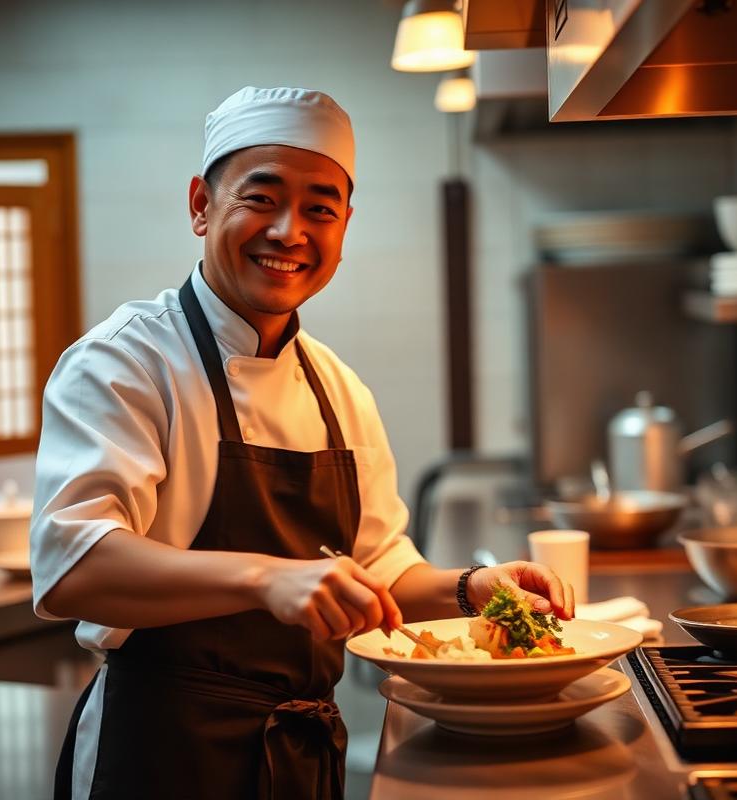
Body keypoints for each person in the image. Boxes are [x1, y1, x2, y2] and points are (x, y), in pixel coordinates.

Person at [31, 86, 573, 800]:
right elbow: (73, 568)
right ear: (200, 204)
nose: (290, 231)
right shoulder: (126, 362)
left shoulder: (340, 389)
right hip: (160, 755)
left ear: (344, 225)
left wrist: (471, 589)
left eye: (320, 208)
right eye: (261, 198)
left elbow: (380, 573)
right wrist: (267, 578)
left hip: (299, 758)